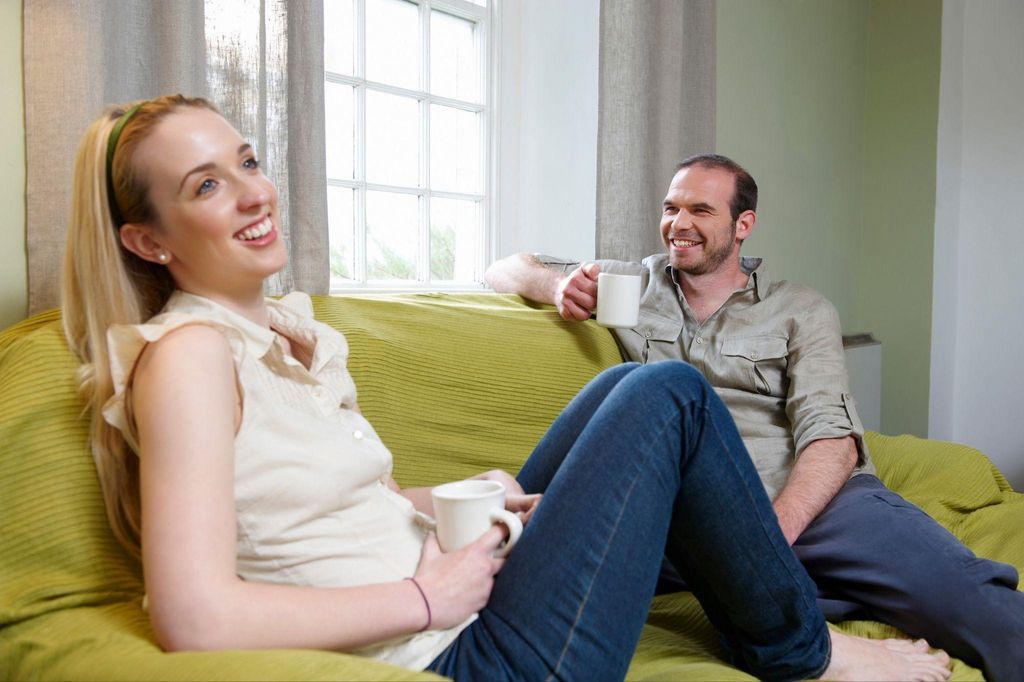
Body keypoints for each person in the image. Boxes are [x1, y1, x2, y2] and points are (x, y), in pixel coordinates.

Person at [59, 95, 952, 682]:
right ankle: (801, 649)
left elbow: (302, 505)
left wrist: (452, 498)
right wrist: (426, 598)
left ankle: (798, 618)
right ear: (148, 240)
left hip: (464, 580)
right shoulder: (188, 357)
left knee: (619, 397)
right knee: (665, 392)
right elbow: (191, 613)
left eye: (248, 161)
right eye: (207, 184)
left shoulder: (285, 335)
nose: (255, 194)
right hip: (478, 652)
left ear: (742, 228)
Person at [486, 152, 1024, 681]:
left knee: (970, 597)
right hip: (690, 521)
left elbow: (832, 440)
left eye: (701, 210)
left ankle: (813, 590)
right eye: (671, 208)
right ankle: (807, 606)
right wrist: (557, 287)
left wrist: (764, 537)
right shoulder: (628, 285)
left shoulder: (800, 309)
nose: (679, 224)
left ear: (743, 225)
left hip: (812, 505)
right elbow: (505, 268)